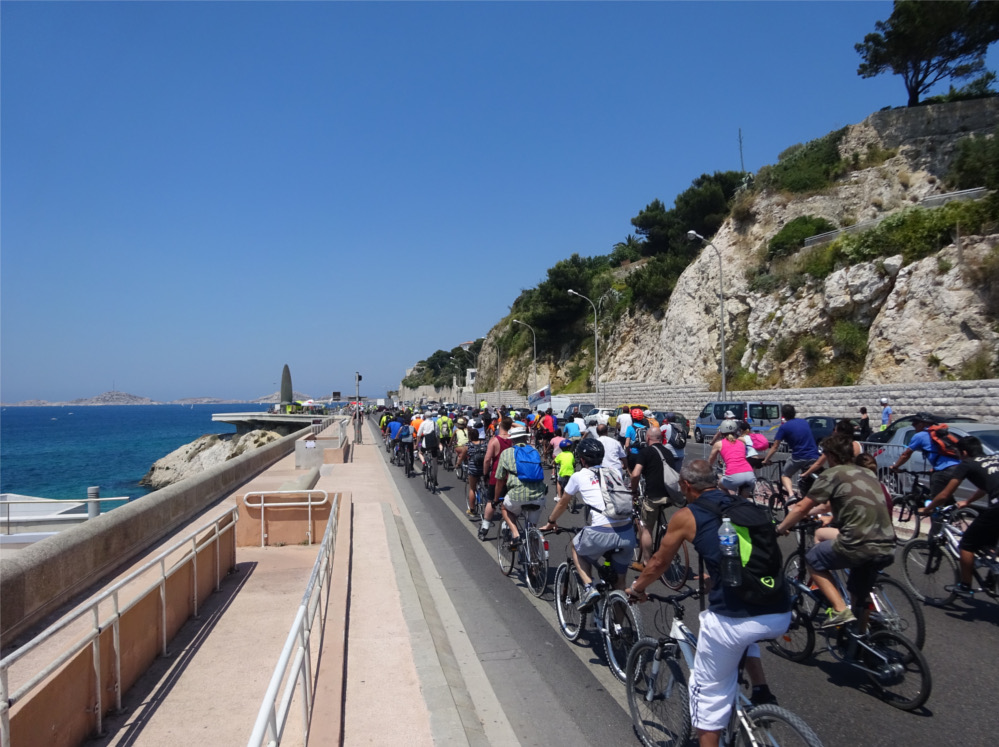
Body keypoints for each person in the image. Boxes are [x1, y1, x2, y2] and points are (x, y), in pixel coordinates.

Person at [626, 460, 791, 744]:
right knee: (745, 635)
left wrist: (637, 588)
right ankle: (761, 689)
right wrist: (716, 573)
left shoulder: (687, 515)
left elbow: (658, 563)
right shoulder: (740, 505)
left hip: (734, 617)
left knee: (708, 695)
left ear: (687, 486)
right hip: (779, 608)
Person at [777, 434, 896, 628]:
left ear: (831, 456)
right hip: (887, 543)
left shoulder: (834, 474)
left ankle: (840, 609)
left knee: (812, 558)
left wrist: (781, 527)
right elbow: (830, 505)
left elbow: (801, 508)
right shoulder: (868, 473)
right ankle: (861, 639)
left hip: (857, 543)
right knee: (859, 594)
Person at [541, 439, 636, 610]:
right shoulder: (615, 471)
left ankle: (589, 587)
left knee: (576, 548)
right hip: (628, 532)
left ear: (582, 460)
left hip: (601, 532)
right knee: (620, 582)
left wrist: (551, 521)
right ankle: (620, 628)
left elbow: (563, 503)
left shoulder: (579, 476)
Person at [918, 435, 999, 598]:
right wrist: (967, 501)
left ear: (963, 452)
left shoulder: (967, 464)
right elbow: (984, 487)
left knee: (967, 544)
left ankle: (965, 585)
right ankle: (992, 575)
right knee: (989, 542)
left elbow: (945, 494)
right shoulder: (994, 459)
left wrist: (927, 509)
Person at [630, 427, 682, 568]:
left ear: (647, 438)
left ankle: (647, 563)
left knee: (646, 529)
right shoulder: (668, 452)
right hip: (670, 495)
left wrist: (633, 491)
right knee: (661, 520)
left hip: (653, 496)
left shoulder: (645, 452)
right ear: (661, 438)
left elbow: (635, 474)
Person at [494, 426, 549, 546]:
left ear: (512, 440)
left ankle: (515, 533)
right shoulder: (534, 451)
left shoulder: (507, 453)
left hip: (516, 495)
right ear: (525, 438)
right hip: (539, 495)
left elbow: (500, 479)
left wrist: (496, 498)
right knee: (532, 528)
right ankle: (535, 560)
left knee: (504, 508)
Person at [888, 412, 963, 497]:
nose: (913, 425)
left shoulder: (920, 436)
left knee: (936, 499)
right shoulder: (939, 433)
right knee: (945, 496)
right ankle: (954, 509)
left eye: (915, 423)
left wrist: (895, 467)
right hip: (957, 467)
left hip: (944, 470)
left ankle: (932, 509)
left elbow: (906, 455)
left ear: (922, 424)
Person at [761, 405, 820, 497]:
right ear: (794, 413)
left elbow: (775, 446)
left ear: (783, 414)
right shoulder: (804, 422)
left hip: (799, 457)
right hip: (814, 456)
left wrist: (766, 460)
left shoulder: (784, 427)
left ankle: (791, 495)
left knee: (785, 475)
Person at [479, 417, 514, 540]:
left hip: (496, 474)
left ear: (500, 426)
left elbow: (487, 459)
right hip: (511, 476)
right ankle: (506, 526)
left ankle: (485, 527)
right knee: (507, 502)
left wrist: (485, 474)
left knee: (491, 500)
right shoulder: (513, 440)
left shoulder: (494, 441)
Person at [799, 419, 861, 483]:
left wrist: (806, 473)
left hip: (839, 477)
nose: (833, 432)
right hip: (856, 477)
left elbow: (819, 463)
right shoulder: (857, 445)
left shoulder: (833, 445)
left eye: (834, 429)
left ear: (838, 432)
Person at [709, 420, 756, 497]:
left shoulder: (719, 444)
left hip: (733, 476)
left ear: (722, 432)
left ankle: (730, 501)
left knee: (720, 485)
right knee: (742, 501)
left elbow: (710, 461)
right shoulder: (741, 443)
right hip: (750, 474)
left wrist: (707, 470)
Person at [465, 428, 487, 518]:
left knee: (472, 489)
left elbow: (462, 456)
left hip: (473, 470)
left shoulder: (468, 445)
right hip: (484, 469)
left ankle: (472, 509)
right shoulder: (485, 444)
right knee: (487, 487)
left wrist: (458, 464)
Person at [554, 439, 575, 503]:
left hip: (563, 473)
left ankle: (559, 497)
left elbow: (555, 462)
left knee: (559, 482)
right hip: (571, 473)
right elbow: (573, 463)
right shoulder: (571, 454)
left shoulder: (560, 455)